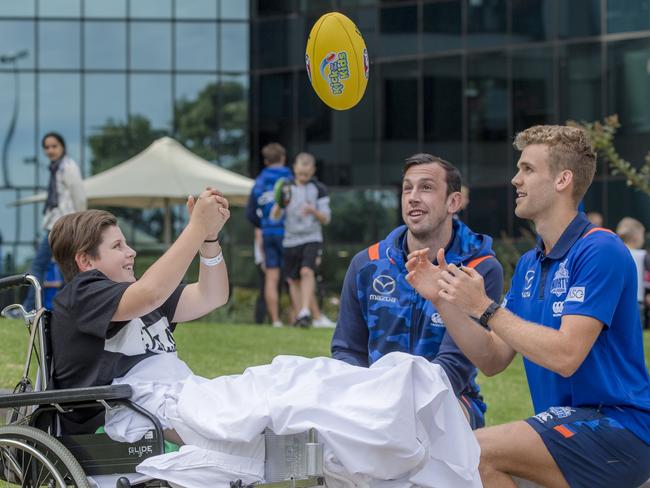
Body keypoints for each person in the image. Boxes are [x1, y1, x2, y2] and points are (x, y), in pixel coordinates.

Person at [405, 125, 650, 487]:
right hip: (567, 425)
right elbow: (491, 359)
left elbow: (566, 356)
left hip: (620, 427)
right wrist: (445, 300)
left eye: (528, 169)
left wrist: (486, 307)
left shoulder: (601, 250)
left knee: (473, 451)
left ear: (563, 180)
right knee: (472, 458)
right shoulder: (529, 265)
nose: (515, 179)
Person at [331, 153, 504, 429]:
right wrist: (366, 398)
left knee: (426, 427)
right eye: (407, 188)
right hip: (371, 397)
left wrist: (398, 408)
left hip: (451, 399)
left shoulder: (479, 269)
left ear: (453, 202)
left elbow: (455, 366)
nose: (413, 197)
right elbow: (346, 349)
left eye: (426, 188)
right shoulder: (367, 263)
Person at [49, 188, 230, 438]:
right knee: (244, 418)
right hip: (124, 422)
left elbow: (212, 296)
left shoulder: (136, 299)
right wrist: (196, 227)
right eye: (117, 246)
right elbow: (150, 293)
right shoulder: (81, 295)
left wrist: (209, 239)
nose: (131, 251)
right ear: (87, 262)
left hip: (176, 401)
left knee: (267, 393)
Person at [23, 132, 86, 312]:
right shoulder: (55, 168)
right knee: (67, 266)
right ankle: (69, 307)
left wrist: (80, 222)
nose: (50, 150)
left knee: (39, 265)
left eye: (54, 146)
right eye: (47, 147)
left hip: (63, 226)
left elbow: (79, 194)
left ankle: (30, 308)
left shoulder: (68, 167)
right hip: (58, 224)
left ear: (62, 147)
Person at [270, 152, 332, 328]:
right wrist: (279, 204)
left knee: (306, 272)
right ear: (295, 168)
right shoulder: (285, 187)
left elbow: (326, 218)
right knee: (293, 280)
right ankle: (300, 316)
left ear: (313, 170)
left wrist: (314, 211)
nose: (303, 175)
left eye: (307, 172)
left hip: (311, 237)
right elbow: (274, 217)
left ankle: (305, 310)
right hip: (290, 239)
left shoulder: (319, 189)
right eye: (300, 171)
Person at [245, 143, 292, 327]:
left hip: (268, 233)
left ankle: (276, 320)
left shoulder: (259, 181)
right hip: (288, 233)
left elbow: (250, 213)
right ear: (283, 158)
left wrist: (263, 224)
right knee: (292, 278)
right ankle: (296, 317)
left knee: (271, 277)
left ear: (266, 161)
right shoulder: (289, 177)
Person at [616, 217, 647, 325]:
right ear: (636, 237)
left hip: (618, 298)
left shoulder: (616, 252)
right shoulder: (642, 255)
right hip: (637, 300)